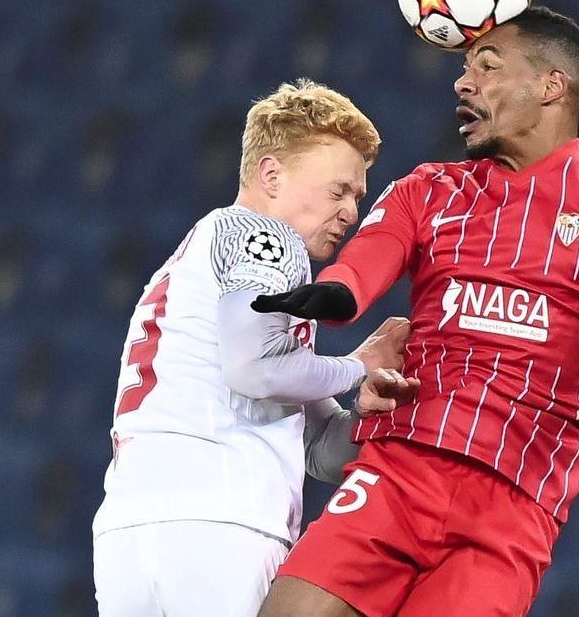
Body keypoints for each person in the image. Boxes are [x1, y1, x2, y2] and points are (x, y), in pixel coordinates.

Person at [255, 7, 579, 617]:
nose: (463, 83)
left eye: (487, 68)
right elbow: (361, 272)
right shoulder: (428, 190)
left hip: (512, 508)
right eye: (464, 69)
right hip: (400, 471)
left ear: (551, 85)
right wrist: (332, 294)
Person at [92, 79, 420, 616]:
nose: (351, 213)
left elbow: (316, 447)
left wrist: (366, 413)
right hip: (219, 530)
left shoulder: (200, 256)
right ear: (271, 174)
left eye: (358, 197)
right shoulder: (266, 237)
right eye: (338, 190)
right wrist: (356, 365)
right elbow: (255, 371)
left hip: (131, 538)